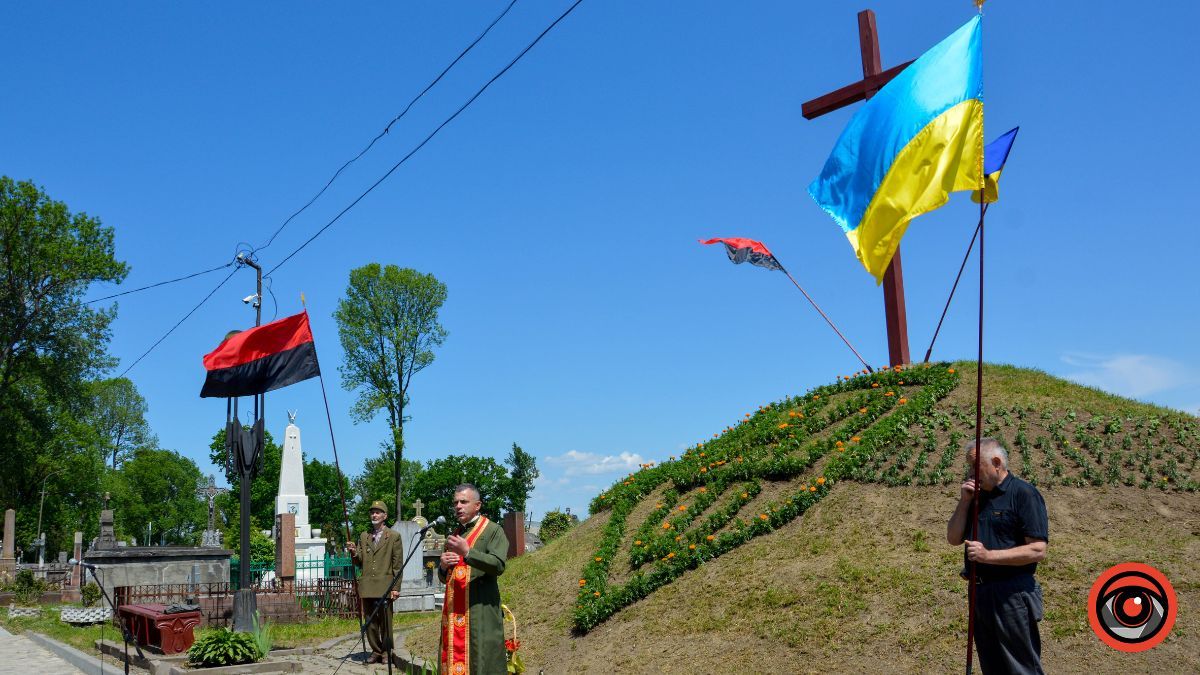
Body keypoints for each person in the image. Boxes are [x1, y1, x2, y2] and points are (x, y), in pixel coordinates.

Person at [947, 438, 1049, 674]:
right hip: (980, 593)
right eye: (969, 467)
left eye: (975, 466)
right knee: (992, 668)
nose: (970, 473)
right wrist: (964, 502)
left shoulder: (1024, 494)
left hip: (1012, 594)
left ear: (996, 462)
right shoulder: (975, 498)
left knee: (1021, 668)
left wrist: (988, 556)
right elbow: (953, 538)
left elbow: (1037, 550)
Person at [438, 483, 508, 675]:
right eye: (455, 503)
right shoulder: (454, 535)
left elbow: (499, 565)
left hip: (479, 612)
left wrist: (468, 552)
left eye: (463, 502)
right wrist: (442, 567)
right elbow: (445, 578)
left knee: (481, 662)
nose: (458, 506)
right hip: (454, 613)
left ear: (477, 505)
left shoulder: (493, 530)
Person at [347, 500, 402, 665]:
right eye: (372, 512)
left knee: (385, 622)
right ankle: (376, 650)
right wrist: (354, 552)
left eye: (378, 512)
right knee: (370, 621)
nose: (374, 515)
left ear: (385, 516)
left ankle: (386, 651)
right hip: (368, 586)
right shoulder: (364, 536)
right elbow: (359, 561)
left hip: (385, 586)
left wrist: (396, 588)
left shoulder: (393, 536)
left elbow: (397, 565)